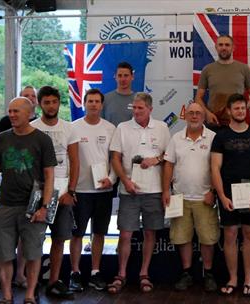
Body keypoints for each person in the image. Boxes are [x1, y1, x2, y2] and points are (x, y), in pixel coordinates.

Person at [0, 97, 57, 304]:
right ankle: (7, 295)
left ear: (29, 114)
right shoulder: (1, 138)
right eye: (10, 111)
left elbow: (49, 175)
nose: (12, 115)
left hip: (32, 206)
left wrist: (44, 206)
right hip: (6, 205)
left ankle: (29, 295)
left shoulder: (42, 140)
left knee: (33, 253)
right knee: (3, 253)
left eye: (16, 111)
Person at [107, 92, 171, 294]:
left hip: (154, 190)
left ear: (150, 109)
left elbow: (169, 156)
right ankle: (122, 274)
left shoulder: (162, 127)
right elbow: (115, 158)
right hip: (129, 190)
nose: (135, 111)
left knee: (150, 232)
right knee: (125, 233)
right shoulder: (123, 128)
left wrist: (156, 160)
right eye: (133, 108)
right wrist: (125, 181)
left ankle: (144, 273)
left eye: (140, 108)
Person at [210, 93, 250, 296]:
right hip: (228, 195)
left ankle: (249, 279)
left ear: (247, 109)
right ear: (229, 111)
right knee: (230, 235)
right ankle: (233, 278)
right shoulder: (221, 136)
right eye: (236, 108)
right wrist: (221, 196)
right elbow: (215, 168)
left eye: (243, 108)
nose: (240, 111)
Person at [0, 86, 38, 297]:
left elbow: (47, 171)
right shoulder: (4, 130)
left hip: (29, 201)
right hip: (7, 200)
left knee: (26, 244)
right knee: (1, 244)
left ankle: (20, 275)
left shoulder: (39, 133)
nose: (14, 114)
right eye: (25, 96)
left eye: (32, 97)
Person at [29, 86, 81, 299]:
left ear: (59, 103)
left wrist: (71, 190)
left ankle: (53, 282)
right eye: (46, 102)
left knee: (60, 239)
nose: (51, 106)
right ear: (40, 104)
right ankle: (31, 284)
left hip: (63, 193)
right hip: (38, 192)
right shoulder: (32, 127)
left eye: (54, 102)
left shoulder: (69, 128)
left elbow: (75, 161)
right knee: (34, 240)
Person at [162, 103, 219, 292]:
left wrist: (213, 191)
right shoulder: (176, 138)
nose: (194, 116)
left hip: (205, 197)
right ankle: (186, 273)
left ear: (204, 116)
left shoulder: (213, 138)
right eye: (191, 113)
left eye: (198, 113)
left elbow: (218, 167)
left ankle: (208, 273)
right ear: (185, 116)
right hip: (180, 197)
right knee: (182, 237)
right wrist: (166, 191)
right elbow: (168, 165)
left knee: (208, 238)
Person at [68, 89, 117, 291]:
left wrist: (112, 179)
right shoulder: (73, 128)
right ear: (84, 104)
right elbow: (70, 160)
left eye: (97, 101)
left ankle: (95, 272)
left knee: (99, 233)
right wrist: (70, 188)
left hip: (103, 191)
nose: (94, 104)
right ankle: (75, 273)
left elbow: (116, 159)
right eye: (90, 101)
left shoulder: (110, 128)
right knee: (77, 234)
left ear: (102, 105)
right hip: (80, 190)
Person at [193, 34, 250, 127]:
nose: (224, 48)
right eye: (220, 45)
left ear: (233, 48)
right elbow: (198, 97)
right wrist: (207, 113)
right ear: (216, 47)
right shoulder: (207, 69)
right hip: (214, 121)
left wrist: (239, 109)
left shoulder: (244, 68)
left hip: (236, 122)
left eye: (227, 45)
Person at [102, 62, 136, 126]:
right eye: (120, 75)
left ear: (132, 77)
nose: (123, 79)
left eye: (126, 75)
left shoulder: (139, 100)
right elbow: (100, 123)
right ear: (115, 77)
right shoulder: (105, 99)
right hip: (110, 135)